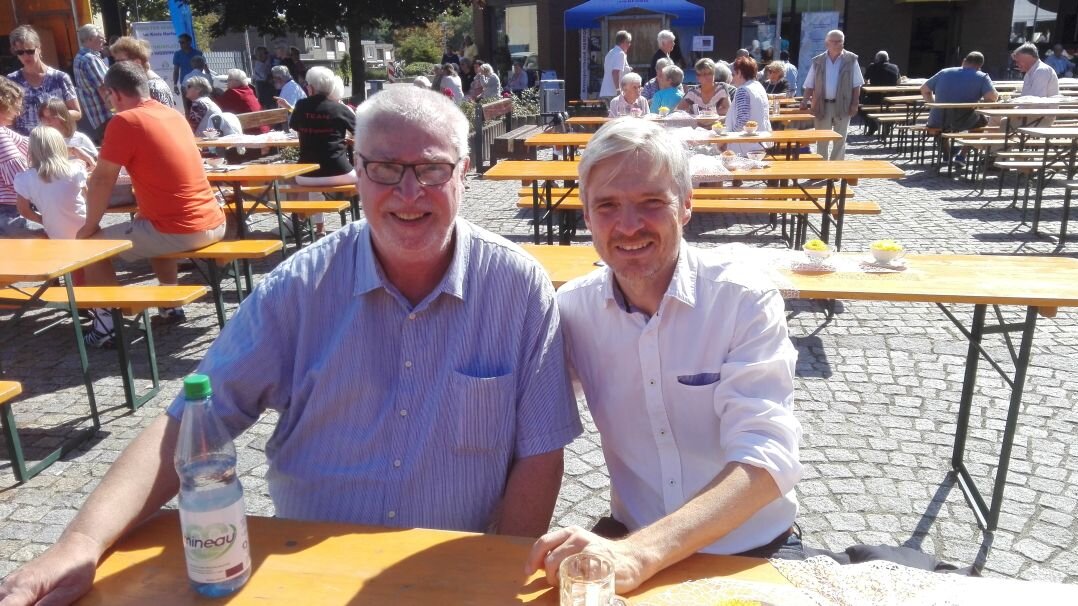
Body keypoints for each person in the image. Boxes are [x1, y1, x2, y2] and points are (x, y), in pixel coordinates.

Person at [0, 86, 582, 605]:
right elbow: (191, 422)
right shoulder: (300, 286)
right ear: (357, 170)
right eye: (384, 168)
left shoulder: (516, 287)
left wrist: (496, 573)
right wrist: (81, 542)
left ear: (463, 173)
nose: (408, 193)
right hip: (311, 573)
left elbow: (540, 453)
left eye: (431, 169)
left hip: (453, 567)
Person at [526, 118, 802, 593]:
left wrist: (640, 554)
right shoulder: (572, 310)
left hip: (750, 550)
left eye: (651, 202)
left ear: (687, 204)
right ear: (586, 216)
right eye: (607, 206)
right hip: (630, 540)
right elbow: (519, 419)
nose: (628, 225)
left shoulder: (741, 299)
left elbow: (768, 457)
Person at [77, 62, 227, 344]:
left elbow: (102, 180)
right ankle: (171, 306)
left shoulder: (125, 121)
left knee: (91, 246)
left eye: (108, 96)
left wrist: (89, 226)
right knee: (147, 222)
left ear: (114, 93)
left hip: (182, 230)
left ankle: (106, 327)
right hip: (215, 221)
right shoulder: (173, 115)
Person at [283, 66, 357, 238]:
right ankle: (359, 224)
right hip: (340, 172)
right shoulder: (339, 108)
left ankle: (309, 223)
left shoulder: (301, 106)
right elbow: (361, 132)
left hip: (306, 175)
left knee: (310, 182)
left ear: (311, 88)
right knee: (364, 175)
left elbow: (294, 127)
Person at [14, 126, 88, 242]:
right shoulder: (76, 169)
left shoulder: (25, 178)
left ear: (32, 150)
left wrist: (43, 220)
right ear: (61, 146)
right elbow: (87, 197)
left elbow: (23, 210)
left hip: (56, 234)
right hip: (85, 230)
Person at [6, 25, 82, 135]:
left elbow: (77, 113)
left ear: (39, 48)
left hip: (56, 138)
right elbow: (7, 118)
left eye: (30, 51)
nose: (25, 56)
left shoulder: (60, 78)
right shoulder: (12, 80)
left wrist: (55, 116)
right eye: (20, 52)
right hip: (26, 141)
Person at [801, 29, 863, 161]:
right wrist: (805, 100)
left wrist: (854, 104)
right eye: (833, 41)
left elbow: (857, 85)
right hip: (822, 104)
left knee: (840, 139)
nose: (836, 44)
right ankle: (821, 166)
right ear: (826, 43)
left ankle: (836, 168)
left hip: (843, 104)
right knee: (822, 138)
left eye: (839, 41)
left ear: (843, 43)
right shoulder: (818, 61)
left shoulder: (851, 60)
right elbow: (810, 84)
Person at [0, 78, 43, 237]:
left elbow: (31, 144)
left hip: (9, 211)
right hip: (8, 214)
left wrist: (71, 150)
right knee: (49, 234)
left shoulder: (3, 130)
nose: (18, 113)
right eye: (15, 108)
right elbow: (23, 180)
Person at [920, 52, 998, 132]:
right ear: (980, 66)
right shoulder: (982, 77)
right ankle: (970, 140)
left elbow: (924, 89)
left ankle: (942, 138)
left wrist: (934, 105)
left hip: (936, 121)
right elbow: (991, 98)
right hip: (962, 121)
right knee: (981, 120)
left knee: (975, 118)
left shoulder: (944, 72)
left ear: (964, 61)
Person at [109, 36, 177, 109]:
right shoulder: (141, 83)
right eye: (116, 61)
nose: (117, 65)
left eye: (121, 61)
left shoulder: (153, 87)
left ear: (137, 62)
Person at [72, 24, 111, 142]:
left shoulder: (79, 57)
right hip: (105, 115)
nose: (104, 41)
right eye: (101, 38)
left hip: (96, 116)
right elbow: (104, 88)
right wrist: (115, 110)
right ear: (90, 39)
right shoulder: (90, 59)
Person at [727, 56, 772, 152]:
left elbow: (742, 121)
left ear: (739, 72)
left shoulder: (743, 90)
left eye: (733, 74)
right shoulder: (759, 86)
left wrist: (727, 139)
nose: (732, 79)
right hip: (760, 141)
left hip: (746, 145)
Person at [863, 51, 901, 135]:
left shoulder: (872, 66)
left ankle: (872, 125)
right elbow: (899, 82)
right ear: (888, 59)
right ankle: (888, 124)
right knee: (889, 108)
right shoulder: (895, 67)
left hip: (874, 98)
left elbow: (864, 80)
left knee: (860, 106)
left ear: (876, 59)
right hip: (889, 99)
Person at [218, 69, 266, 133]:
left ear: (236, 81)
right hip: (263, 129)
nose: (227, 82)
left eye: (229, 80)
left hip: (252, 132)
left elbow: (218, 107)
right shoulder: (249, 90)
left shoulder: (233, 92)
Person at [601, 31, 633, 101]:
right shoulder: (621, 54)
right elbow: (615, 72)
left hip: (605, 92)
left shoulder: (610, 52)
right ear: (624, 42)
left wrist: (627, 69)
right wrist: (618, 90)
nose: (629, 45)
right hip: (613, 94)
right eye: (628, 42)